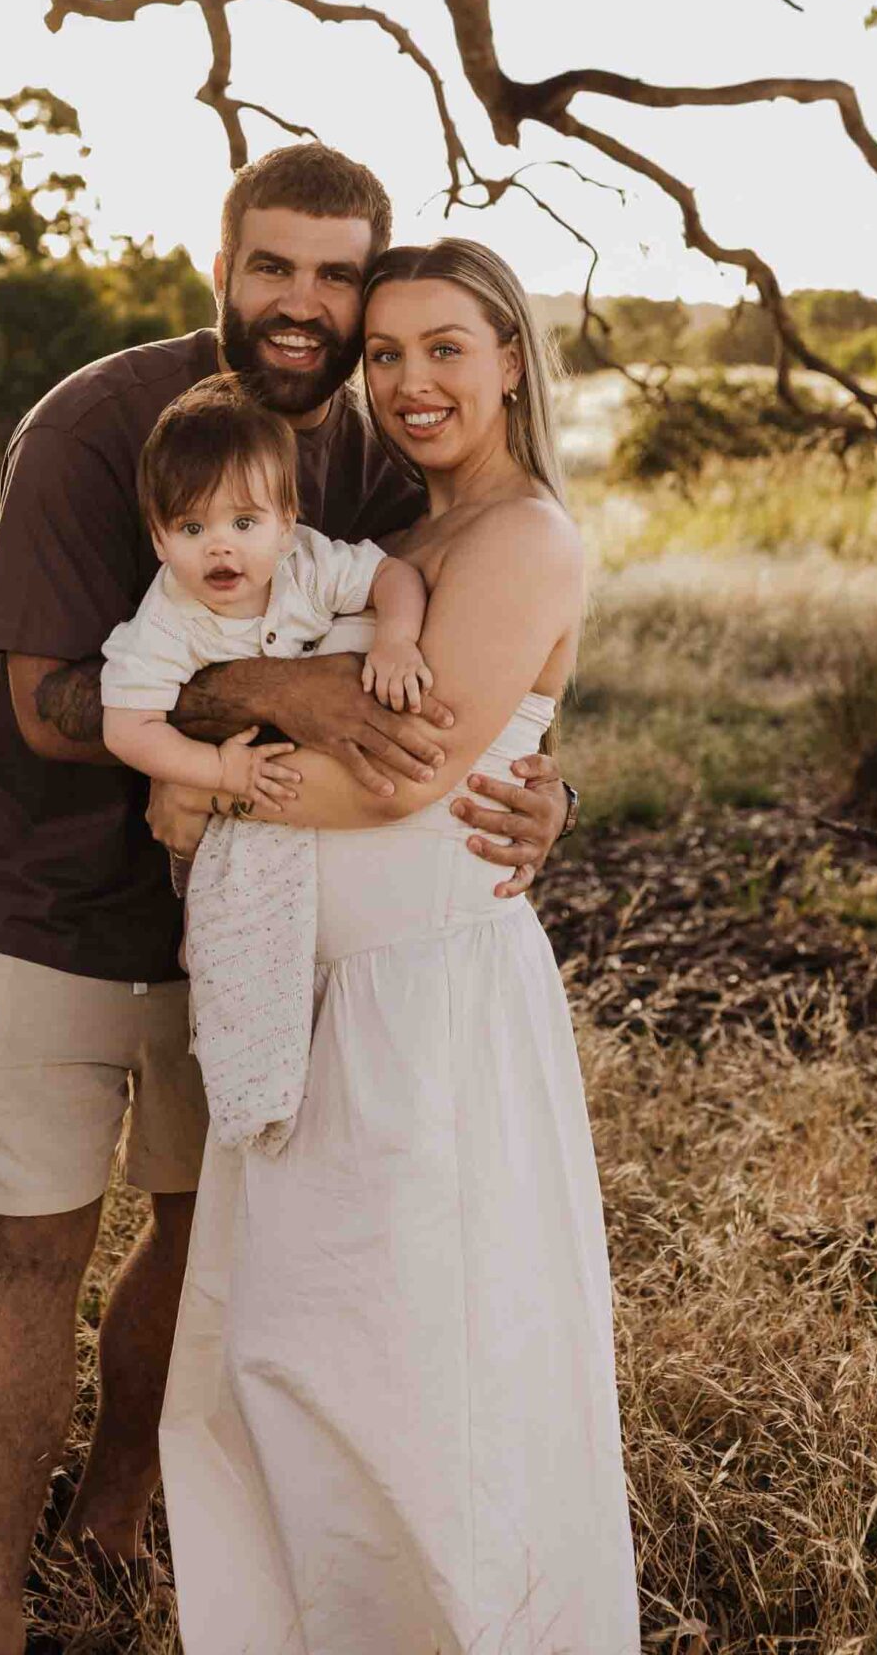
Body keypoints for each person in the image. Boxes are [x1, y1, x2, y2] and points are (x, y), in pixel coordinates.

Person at [0, 147, 574, 1655]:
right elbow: (40, 703)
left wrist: (547, 786)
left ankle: (121, 1527)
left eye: (338, 276)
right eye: (273, 265)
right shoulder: (98, 427)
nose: (304, 303)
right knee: (36, 1251)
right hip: (47, 920)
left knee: (208, 1247)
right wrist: (269, 691)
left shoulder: (366, 456)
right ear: (220, 265)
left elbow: (481, 656)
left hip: (249, 960)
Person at [156, 237, 640, 1655]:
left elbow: (404, 778)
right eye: (385, 355)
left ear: (507, 360)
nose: (411, 381)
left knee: (426, 1379)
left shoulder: (522, 535)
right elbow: (240, 684)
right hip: (309, 1000)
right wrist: (235, 700)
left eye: (444, 349)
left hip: (422, 1015)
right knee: (290, 1365)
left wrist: (204, 780)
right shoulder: (388, 541)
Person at [102, 374, 432, 1155]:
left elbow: (396, 576)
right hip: (239, 812)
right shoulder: (168, 617)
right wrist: (218, 771)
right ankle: (256, 1080)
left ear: (287, 524)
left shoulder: (310, 566)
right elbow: (128, 725)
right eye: (190, 527)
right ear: (157, 538)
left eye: (244, 521)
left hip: (334, 815)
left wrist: (395, 638)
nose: (220, 545)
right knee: (235, 936)